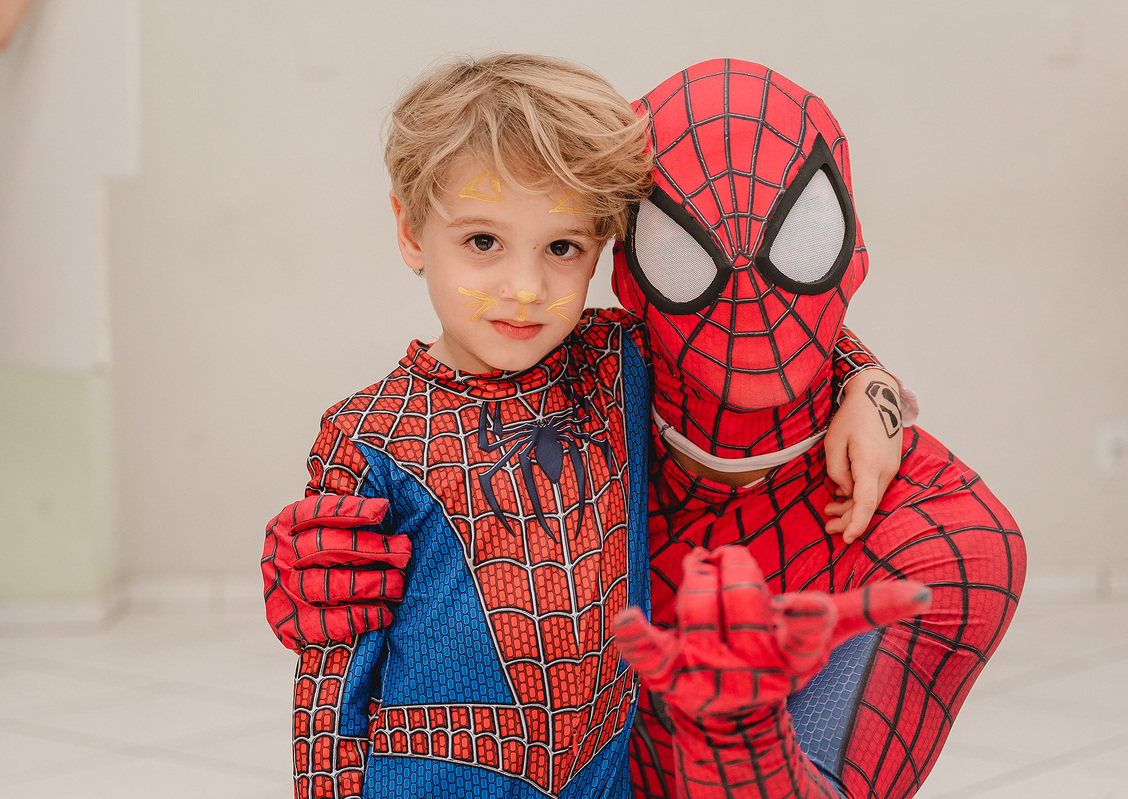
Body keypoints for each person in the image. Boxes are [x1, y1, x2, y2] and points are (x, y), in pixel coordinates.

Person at [262, 55, 932, 799]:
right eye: (482, 241)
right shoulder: (367, 435)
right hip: (429, 773)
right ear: (411, 231)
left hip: (602, 772)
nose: (525, 288)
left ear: (602, 253)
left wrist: (867, 382)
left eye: (562, 247)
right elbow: (330, 678)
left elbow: (751, 331)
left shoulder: (616, 362)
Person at [609, 59, 1027, 799]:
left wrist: (743, 741)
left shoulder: (945, 537)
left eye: (797, 239)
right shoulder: (576, 420)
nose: (745, 294)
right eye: (685, 253)